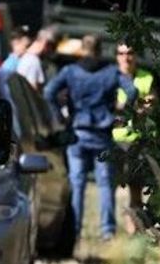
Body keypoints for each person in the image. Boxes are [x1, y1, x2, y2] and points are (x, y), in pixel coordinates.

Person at [43, 34, 138, 241]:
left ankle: (74, 230)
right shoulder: (111, 72)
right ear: (100, 50)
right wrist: (121, 112)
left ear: (82, 50)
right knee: (105, 184)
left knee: (77, 184)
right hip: (103, 135)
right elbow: (132, 91)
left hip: (77, 133)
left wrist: (60, 116)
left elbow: (49, 92)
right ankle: (107, 231)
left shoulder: (70, 71)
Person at [111, 43, 155, 232]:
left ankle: (133, 229)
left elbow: (150, 104)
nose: (126, 58)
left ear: (136, 55)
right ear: (116, 56)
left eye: (130, 53)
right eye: (121, 53)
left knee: (136, 188)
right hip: (114, 138)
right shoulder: (110, 76)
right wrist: (132, 108)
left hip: (138, 139)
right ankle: (109, 231)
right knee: (108, 185)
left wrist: (124, 108)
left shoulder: (146, 77)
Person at [16, 27, 57, 92]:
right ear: (45, 43)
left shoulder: (25, 57)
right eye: (51, 46)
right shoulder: (33, 61)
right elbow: (32, 89)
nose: (50, 50)